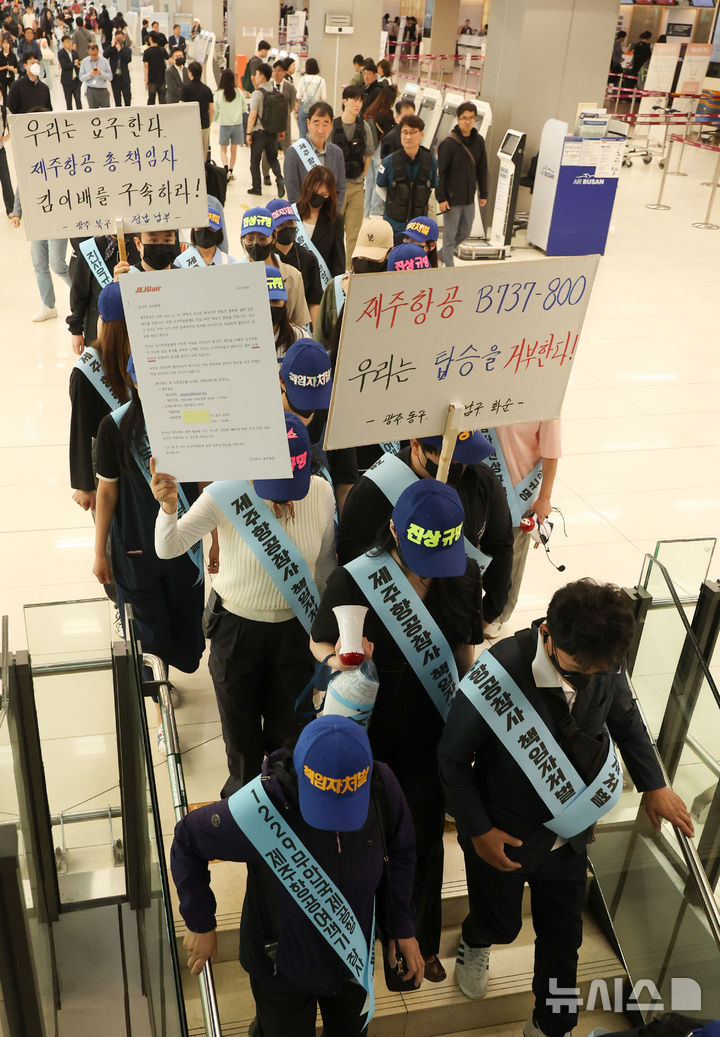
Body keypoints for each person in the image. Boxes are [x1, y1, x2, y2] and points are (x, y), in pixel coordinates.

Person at [438, 579, 694, 1037]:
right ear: (549, 636)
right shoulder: (500, 670)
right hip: (505, 833)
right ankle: (476, 939)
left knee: (564, 941)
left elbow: (626, 719)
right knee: (501, 923)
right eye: (581, 667)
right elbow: (452, 759)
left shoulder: (602, 662)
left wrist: (654, 783)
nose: (592, 677)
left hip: (570, 834)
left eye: (602, 669)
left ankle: (550, 1024)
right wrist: (477, 831)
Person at [311, 479, 484, 982]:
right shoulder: (356, 580)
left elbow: (465, 653)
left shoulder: (464, 574)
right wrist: (339, 664)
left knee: (425, 836)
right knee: (368, 834)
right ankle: (372, 935)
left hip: (433, 729)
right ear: (393, 529)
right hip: (371, 728)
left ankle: (420, 937)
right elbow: (317, 642)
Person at [170, 714, 422, 1035]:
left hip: (351, 956)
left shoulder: (381, 785)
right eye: (326, 804)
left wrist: (402, 927)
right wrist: (199, 921)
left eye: (346, 805)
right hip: (280, 968)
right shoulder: (261, 808)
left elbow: (401, 852)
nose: (336, 821)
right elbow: (188, 838)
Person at [152, 413, 336, 796]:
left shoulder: (319, 492)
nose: (283, 494)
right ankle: (243, 821)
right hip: (236, 632)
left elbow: (323, 569)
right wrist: (168, 508)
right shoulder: (226, 492)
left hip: (294, 631)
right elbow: (168, 547)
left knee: (290, 741)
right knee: (242, 743)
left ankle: (286, 814)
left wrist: (323, 642)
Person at [93, 360, 205, 754]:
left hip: (183, 545)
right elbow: (106, 493)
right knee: (148, 635)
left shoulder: (191, 418)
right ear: (134, 383)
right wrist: (99, 549)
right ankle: (161, 714)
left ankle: (166, 679)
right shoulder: (115, 428)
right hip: (134, 549)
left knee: (182, 624)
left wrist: (219, 539)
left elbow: (205, 481)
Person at [337, 432, 513, 636]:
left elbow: (501, 545)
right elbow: (351, 559)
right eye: (451, 458)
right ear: (415, 444)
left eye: (465, 456)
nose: (461, 465)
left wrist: (489, 612)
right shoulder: (374, 489)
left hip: (454, 615)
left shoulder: (481, 480)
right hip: (392, 620)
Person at [481, 421, 562, 639]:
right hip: (480, 482)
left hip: (518, 492)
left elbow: (551, 451)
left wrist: (545, 497)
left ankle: (497, 615)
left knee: (510, 559)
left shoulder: (547, 397)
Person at [69, 280, 131, 512]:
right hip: (107, 457)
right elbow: (80, 426)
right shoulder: (87, 370)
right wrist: (85, 484)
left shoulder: (145, 354)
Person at [314, 217, 394, 347]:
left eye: (374, 258)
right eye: (362, 257)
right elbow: (321, 337)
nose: (366, 262)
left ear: (389, 253)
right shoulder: (337, 287)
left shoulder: (396, 290)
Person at [239, 206, 311, 331]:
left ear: (273, 238)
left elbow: (300, 323)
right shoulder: (234, 275)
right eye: (250, 239)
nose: (256, 244)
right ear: (243, 239)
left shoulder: (293, 276)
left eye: (262, 239)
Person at [436, 101, 487, 266]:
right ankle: (450, 270)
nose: (467, 121)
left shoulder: (479, 141)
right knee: (449, 237)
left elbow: (482, 168)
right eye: (464, 118)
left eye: (471, 118)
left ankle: (442, 254)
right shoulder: (448, 144)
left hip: (468, 199)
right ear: (458, 119)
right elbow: (440, 173)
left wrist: (483, 193)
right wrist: (441, 198)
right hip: (451, 199)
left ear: (475, 119)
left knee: (465, 232)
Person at [376, 114, 438, 237]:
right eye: (405, 132)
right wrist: (392, 203)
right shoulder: (389, 162)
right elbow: (379, 187)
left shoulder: (431, 161)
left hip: (420, 226)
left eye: (413, 132)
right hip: (394, 225)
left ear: (421, 134)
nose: (408, 136)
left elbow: (432, 187)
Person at [332, 84, 373, 263]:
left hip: (356, 187)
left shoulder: (363, 127)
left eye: (360, 101)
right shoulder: (333, 126)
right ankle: (333, 267)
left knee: (354, 234)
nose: (357, 104)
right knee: (333, 231)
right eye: (354, 100)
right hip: (336, 188)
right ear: (344, 101)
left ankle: (348, 270)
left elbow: (369, 154)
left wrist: (363, 175)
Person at [266, 198, 323, 326]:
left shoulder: (308, 258)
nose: (286, 228)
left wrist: (315, 336)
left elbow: (315, 301)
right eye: (280, 225)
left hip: (300, 325)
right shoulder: (265, 256)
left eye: (290, 223)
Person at [284, 102, 346, 210]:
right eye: (316, 123)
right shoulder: (294, 152)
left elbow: (340, 189)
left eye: (325, 124)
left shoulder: (337, 153)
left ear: (331, 125)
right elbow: (292, 192)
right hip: (304, 215)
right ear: (308, 123)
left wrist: (332, 214)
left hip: (329, 217)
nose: (320, 130)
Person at [295, 166, 345, 279]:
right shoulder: (291, 214)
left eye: (323, 194)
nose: (317, 197)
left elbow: (338, 261)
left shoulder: (335, 221)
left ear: (330, 195)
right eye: (314, 192)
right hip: (293, 283)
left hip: (319, 287)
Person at [246, 61, 286, 197]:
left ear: (262, 77)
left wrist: (248, 132)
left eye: (257, 75)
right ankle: (279, 178)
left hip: (259, 133)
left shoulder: (258, 93)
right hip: (273, 132)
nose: (256, 77)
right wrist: (281, 130)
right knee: (273, 159)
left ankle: (256, 188)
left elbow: (253, 114)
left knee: (254, 161)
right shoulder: (276, 92)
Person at [363, 86, 397, 217]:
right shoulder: (387, 113)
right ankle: (375, 210)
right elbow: (390, 133)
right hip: (380, 148)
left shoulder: (371, 110)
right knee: (378, 179)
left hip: (370, 147)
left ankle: (366, 211)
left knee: (370, 180)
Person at [261, 59, 296, 183]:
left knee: (288, 150)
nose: (276, 73)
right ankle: (266, 174)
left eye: (279, 71)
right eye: (274, 71)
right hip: (270, 124)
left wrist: (283, 115)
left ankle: (287, 175)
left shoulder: (290, 87)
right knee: (269, 149)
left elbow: (291, 104)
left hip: (285, 124)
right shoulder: (267, 86)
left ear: (284, 73)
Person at [176, 203, 238, 267]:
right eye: (200, 227)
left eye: (210, 228)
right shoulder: (180, 262)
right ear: (193, 230)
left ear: (219, 232)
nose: (204, 232)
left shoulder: (230, 263)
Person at [213, 68, 246, 178]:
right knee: (234, 150)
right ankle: (231, 170)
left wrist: (214, 119)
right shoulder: (239, 92)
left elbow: (216, 109)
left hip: (224, 124)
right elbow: (244, 108)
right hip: (237, 124)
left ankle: (225, 168)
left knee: (223, 150)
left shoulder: (218, 93)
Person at [264, 264, 304, 355]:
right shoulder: (243, 341)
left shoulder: (299, 337)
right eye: (265, 301)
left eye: (275, 301)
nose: (270, 306)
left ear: (285, 302)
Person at [181, 60, 214, 161]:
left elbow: (181, 107)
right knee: (203, 152)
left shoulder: (186, 88)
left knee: (190, 151)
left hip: (190, 125)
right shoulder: (207, 90)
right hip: (204, 125)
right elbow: (212, 110)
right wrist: (209, 122)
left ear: (190, 73)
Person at [295, 56, 326, 140]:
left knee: (302, 134)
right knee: (315, 134)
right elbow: (323, 97)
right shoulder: (321, 80)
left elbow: (298, 96)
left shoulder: (302, 79)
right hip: (316, 108)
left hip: (304, 107)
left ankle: (302, 152)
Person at [79, 40, 111, 107]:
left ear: (98, 51)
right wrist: (89, 74)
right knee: (93, 113)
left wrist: (101, 74)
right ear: (88, 52)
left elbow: (110, 77)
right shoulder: (84, 62)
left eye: (95, 54)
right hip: (91, 90)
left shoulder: (104, 61)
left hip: (103, 89)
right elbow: (81, 77)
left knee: (106, 113)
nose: (94, 56)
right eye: (92, 55)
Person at [104, 27, 131, 106]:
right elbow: (105, 55)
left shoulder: (127, 49)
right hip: (115, 78)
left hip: (125, 78)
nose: (119, 40)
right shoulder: (112, 49)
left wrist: (120, 50)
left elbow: (128, 59)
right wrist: (112, 46)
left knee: (127, 99)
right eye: (117, 38)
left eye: (120, 38)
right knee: (117, 100)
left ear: (124, 38)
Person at [143, 31, 167, 105]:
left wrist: (146, 79)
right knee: (162, 99)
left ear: (150, 39)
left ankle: (151, 115)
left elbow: (146, 66)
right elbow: (170, 60)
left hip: (152, 79)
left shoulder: (147, 52)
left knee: (151, 99)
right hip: (162, 78)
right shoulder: (162, 50)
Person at [58, 33, 81, 108]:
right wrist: (74, 63)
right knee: (68, 102)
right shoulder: (61, 53)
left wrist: (79, 64)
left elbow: (77, 63)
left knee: (78, 100)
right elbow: (64, 65)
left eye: (70, 41)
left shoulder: (74, 52)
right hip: (67, 81)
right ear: (63, 43)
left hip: (76, 80)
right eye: (67, 41)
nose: (69, 43)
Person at [0, 101, 14, 216]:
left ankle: (11, 209)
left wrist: (7, 137)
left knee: (6, 179)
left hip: (0, 151)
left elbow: (14, 125)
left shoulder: (4, 110)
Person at [0, 36, 18, 105]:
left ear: (10, 45)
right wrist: (5, 67)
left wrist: (13, 69)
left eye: (7, 43)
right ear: (2, 44)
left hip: (11, 78)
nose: (5, 45)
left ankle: (12, 107)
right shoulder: (0, 55)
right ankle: (5, 110)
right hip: (2, 78)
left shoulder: (13, 55)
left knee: (12, 93)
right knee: (4, 95)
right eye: (4, 43)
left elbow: (16, 70)